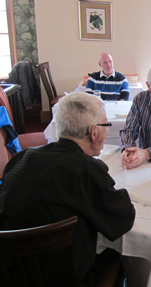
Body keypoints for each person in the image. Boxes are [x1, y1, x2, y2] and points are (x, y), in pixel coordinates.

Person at [0, 92, 135, 286]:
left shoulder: (22, 159)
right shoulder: (87, 169)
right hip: (65, 278)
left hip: (13, 274)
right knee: (118, 255)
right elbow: (122, 220)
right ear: (94, 132)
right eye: (105, 126)